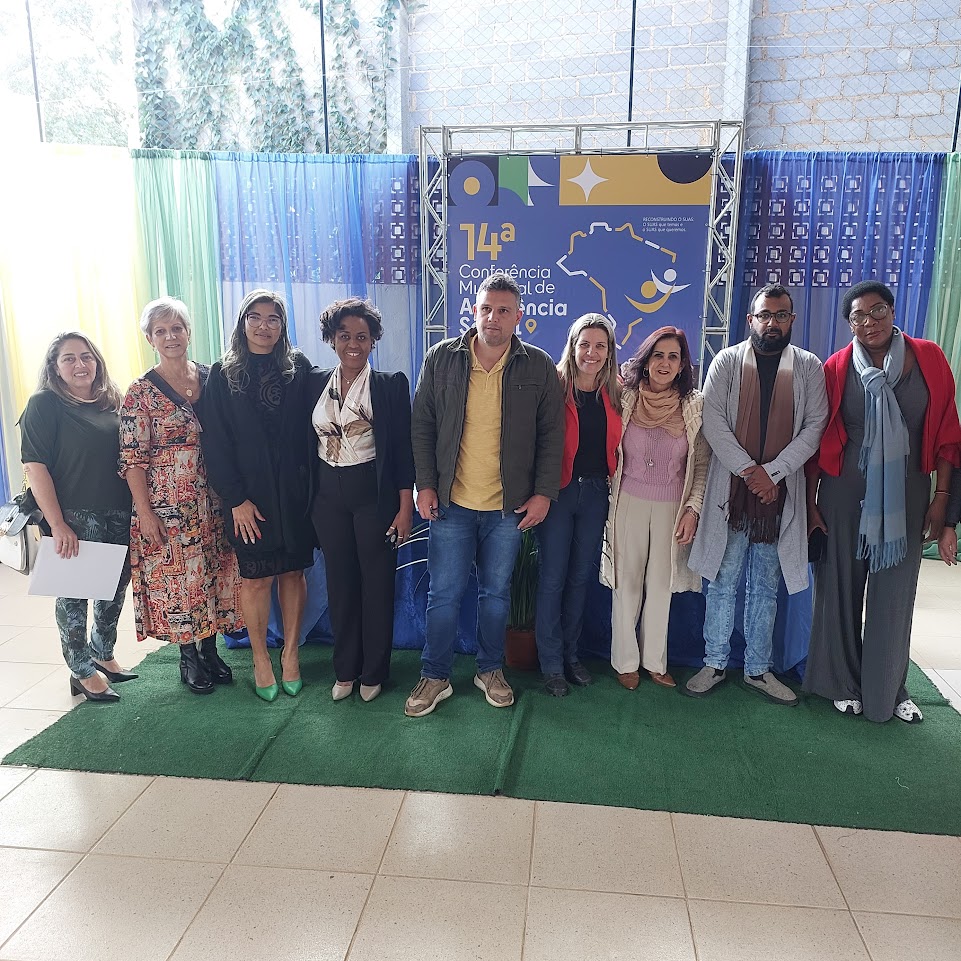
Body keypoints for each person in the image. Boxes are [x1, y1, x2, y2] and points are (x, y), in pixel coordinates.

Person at [405, 272, 564, 717]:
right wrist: (425, 484)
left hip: (507, 509)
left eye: (503, 310)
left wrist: (543, 494)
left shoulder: (537, 366)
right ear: (474, 311)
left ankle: (490, 669)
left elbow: (552, 436)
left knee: (496, 595)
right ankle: (435, 675)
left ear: (519, 316)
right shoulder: (441, 358)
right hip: (451, 504)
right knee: (443, 595)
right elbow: (422, 426)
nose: (493, 317)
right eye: (486, 309)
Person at [804, 280, 961, 723]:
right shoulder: (836, 367)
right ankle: (841, 683)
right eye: (858, 316)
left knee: (895, 592)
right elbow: (818, 437)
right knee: (839, 587)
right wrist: (812, 504)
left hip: (908, 491)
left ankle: (888, 691)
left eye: (877, 311)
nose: (869, 322)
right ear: (849, 324)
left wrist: (942, 499)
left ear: (892, 312)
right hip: (844, 490)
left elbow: (948, 434)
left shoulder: (929, 357)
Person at [686, 283, 827, 704]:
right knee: (722, 580)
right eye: (764, 315)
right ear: (750, 319)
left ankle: (758, 669)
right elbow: (713, 422)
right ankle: (714, 662)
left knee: (765, 587)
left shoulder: (808, 366)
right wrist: (752, 473)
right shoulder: (727, 361)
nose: (772, 323)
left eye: (780, 315)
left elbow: (815, 426)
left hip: (779, 497)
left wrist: (774, 473)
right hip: (732, 493)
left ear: (792, 320)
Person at [119, 297, 243, 695]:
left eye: (177, 328)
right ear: (150, 339)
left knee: (213, 572)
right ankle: (188, 657)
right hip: (168, 505)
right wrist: (146, 513)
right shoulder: (140, 392)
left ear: (189, 332)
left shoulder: (212, 378)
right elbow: (132, 460)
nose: (170, 336)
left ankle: (210, 650)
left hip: (215, 500)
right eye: (161, 331)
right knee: (180, 581)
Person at [199, 290, 314, 702]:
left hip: (295, 494)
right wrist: (235, 499)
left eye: (273, 319)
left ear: (283, 326)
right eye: (256, 317)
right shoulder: (223, 373)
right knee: (257, 578)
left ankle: (291, 654)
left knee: (293, 574)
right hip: (248, 498)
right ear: (242, 322)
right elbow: (215, 443)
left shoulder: (297, 367)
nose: (264, 326)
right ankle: (261, 659)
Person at [307, 298, 415, 703]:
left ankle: (373, 671)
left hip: (374, 495)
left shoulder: (390, 384)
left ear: (373, 341)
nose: (353, 344)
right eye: (344, 336)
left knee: (377, 584)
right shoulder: (312, 382)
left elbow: (402, 451)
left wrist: (405, 508)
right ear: (332, 339)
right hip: (326, 498)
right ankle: (345, 670)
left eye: (362, 337)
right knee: (340, 585)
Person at [18, 333, 135, 703]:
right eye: (68, 358)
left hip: (119, 511)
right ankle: (81, 670)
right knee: (74, 597)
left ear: (97, 361)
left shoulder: (111, 401)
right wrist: (57, 524)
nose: (80, 365)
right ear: (55, 367)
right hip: (74, 516)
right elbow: (35, 467)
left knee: (114, 589)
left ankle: (103, 652)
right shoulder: (44, 404)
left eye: (86, 356)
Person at [603, 326, 709, 691]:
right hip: (627, 502)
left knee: (661, 586)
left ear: (682, 365)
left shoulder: (694, 406)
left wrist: (693, 509)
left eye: (673, 357)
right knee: (626, 584)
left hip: (672, 507)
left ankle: (654, 662)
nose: (665, 363)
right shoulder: (625, 398)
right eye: (658, 355)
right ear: (646, 361)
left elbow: (702, 465)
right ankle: (625, 662)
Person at [534, 314, 621, 697]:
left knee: (580, 577)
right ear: (572, 347)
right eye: (585, 344)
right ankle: (551, 664)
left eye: (600, 345)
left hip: (596, 494)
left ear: (609, 351)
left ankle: (571, 656)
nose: (592, 352)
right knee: (552, 578)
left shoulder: (616, 392)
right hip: (558, 493)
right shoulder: (554, 386)